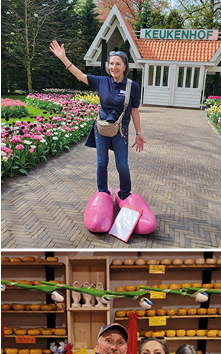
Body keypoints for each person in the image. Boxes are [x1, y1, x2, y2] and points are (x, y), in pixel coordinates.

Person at [48, 40, 155, 234]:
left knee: (122, 165)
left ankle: (123, 195)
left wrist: (139, 134)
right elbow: (80, 76)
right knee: (101, 163)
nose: (114, 67)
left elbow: (135, 111)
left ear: (125, 67)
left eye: (118, 64)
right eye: (111, 63)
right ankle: (103, 192)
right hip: (102, 128)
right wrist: (64, 59)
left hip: (121, 131)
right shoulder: (102, 81)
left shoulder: (133, 86)